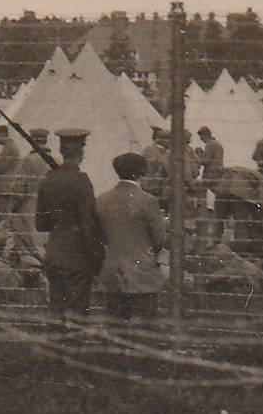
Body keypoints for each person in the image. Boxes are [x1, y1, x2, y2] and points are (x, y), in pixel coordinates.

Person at [32, 132, 103, 317]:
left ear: (62, 151)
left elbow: (41, 224)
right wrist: (97, 258)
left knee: (56, 308)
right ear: (81, 151)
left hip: (54, 252)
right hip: (77, 256)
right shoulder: (81, 181)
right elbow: (88, 224)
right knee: (76, 312)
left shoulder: (48, 180)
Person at [94, 150, 168, 320]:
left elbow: (100, 236)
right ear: (142, 171)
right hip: (142, 273)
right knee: (145, 328)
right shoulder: (147, 201)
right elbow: (159, 240)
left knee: (116, 327)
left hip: (113, 273)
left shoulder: (102, 200)